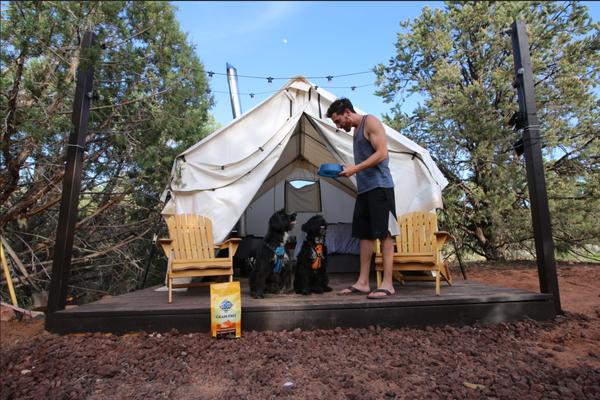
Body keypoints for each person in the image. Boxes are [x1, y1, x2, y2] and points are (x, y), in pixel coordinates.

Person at [326, 98, 399, 299]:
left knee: (384, 233)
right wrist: (348, 168)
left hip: (380, 187)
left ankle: (387, 284)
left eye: (338, 121)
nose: (338, 126)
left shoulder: (371, 122)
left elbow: (382, 153)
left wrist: (354, 169)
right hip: (365, 189)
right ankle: (363, 282)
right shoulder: (356, 131)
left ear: (347, 112)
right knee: (364, 235)